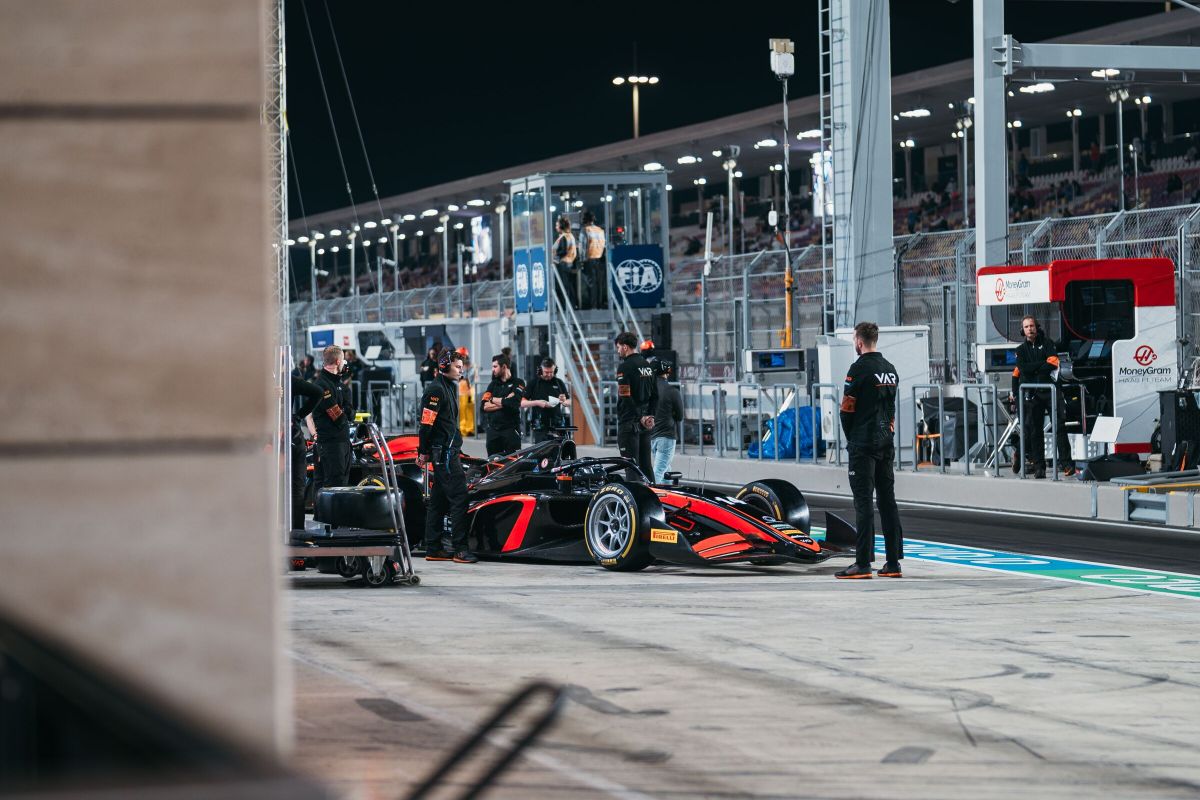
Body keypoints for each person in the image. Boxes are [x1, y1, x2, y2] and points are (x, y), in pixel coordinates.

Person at [835, 322, 903, 580]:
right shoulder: (890, 369)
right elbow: (891, 408)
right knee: (887, 502)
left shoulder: (858, 369)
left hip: (863, 445)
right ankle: (893, 563)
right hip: (886, 443)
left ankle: (862, 563)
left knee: (863, 503)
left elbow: (846, 409)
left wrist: (852, 438)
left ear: (859, 342)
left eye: (854, 339)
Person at [416, 349, 477, 564]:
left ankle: (433, 548)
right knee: (460, 498)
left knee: (438, 501)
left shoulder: (449, 386)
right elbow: (426, 425)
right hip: (444, 454)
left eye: (461, 367)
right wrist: (423, 452)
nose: (461, 371)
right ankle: (460, 549)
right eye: (457, 367)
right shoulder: (436, 390)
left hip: (448, 451)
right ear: (444, 366)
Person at [1010, 315, 1073, 479]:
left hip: (1051, 391)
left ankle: (1067, 464)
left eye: (1032, 326)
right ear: (1022, 330)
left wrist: (1033, 368)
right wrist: (1040, 365)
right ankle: (1039, 467)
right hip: (1032, 394)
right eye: (1026, 327)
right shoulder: (1020, 350)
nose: (1030, 329)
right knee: (1034, 430)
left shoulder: (1048, 343)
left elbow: (1053, 363)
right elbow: (1022, 369)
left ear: (1037, 327)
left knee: (1059, 426)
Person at [307, 345, 355, 493]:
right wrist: (345, 411)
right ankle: (324, 509)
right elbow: (339, 418)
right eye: (343, 360)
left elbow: (351, 413)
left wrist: (345, 410)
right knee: (333, 486)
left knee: (341, 483)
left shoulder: (338, 384)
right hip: (330, 445)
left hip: (342, 442)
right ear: (338, 361)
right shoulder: (322, 385)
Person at [614, 331, 657, 480]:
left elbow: (625, 396)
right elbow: (655, 395)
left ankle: (634, 495)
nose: (618, 351)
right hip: (645, 424)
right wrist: (650, 416)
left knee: (631, 467)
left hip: (629, 423)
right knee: (646, 466)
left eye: (618, 347)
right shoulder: (647, 366)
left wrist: (640, 417)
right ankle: (653, 493)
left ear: (625, 347)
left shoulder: (624, 367)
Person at [290, 374, 323, 530]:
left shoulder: (287, 380)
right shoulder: (287, 379)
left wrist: (297, 416)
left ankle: (296, 530)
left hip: (291, 437)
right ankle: (297, 531)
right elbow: (317, 392)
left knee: (297, 487)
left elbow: (317, 392)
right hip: (288, 436)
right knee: (297, 488)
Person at [481, 353, 525, 457]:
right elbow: (484, 406)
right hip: (493, 432)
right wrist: (505, 400)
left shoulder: (518, 382)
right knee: (492, 463)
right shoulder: (492, 385)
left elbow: (514, 403)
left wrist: (492, 400)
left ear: (504, 367)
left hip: (511, 431)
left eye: (495, 366)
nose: (493, 369)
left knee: (513, 462)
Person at [650, 359, 683, 483]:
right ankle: (651, 494)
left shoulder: (648, 390)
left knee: (666, 470)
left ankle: (667, 494)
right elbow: (680, 416)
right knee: (659, 471)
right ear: (667, 372)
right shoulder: (672, 391)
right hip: (667, 436)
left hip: (651, 435)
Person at [524, 358, 571, 443]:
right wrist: (537, 402)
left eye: (551, 372)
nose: (549, 375)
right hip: (539, 425)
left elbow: (569, 402)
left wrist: (564, 401)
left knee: (557, 449)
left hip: (557, 424)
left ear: (555, 370)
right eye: (546, 372)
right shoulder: (533, 383)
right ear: (540, 370)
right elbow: (522, 402)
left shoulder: (559, 383)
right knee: (542, 450)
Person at [579, 210, 607, 309]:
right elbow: (603, 245)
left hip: (589, 260)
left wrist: (581, 261)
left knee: (590, 283)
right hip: (599, 260)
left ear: (585, 220)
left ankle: (592, 305)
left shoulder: (585, 230)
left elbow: (583, 247)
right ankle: (599, 304)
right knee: (599, 283)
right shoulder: (600, 230)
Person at [552, 216, 579, 306]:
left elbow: (563, 251)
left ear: (561, 226)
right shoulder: (570, 236)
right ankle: (572, 304)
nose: (556, 227)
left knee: (563, 286)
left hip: (563, 264)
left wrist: (554, 257)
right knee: (570, 286)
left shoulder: (563, 237)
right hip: (569, 264)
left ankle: (565, 306)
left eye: (557, 225)